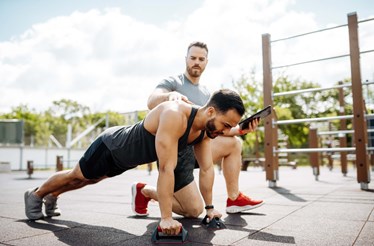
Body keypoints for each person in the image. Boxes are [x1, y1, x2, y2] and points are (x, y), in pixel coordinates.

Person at [24, 89, 245, 235]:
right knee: (77, 176)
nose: (227, 131)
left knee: (89, 181)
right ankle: (36, 194)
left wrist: (210, 209)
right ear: (210, 111)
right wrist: (165, 218)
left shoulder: (204, 131)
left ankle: (53, 195)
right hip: (111, 147)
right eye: (226, 125)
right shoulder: (174, 115)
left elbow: (206, 169)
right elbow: (167, 168)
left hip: (124, 160)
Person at [131, 41, 263, 218]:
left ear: (206, 62)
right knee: (193, 210)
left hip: (197, 147)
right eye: (193, 58)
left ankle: (234, 198)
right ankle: (146, 191)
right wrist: (169, 96)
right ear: (186, 59)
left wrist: (240, 129)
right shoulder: (174, 82)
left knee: (234, 143)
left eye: (201, 59)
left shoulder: (207, 94)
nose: (196, 62)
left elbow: (213, 128)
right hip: (175, 151)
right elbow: (151, 101)